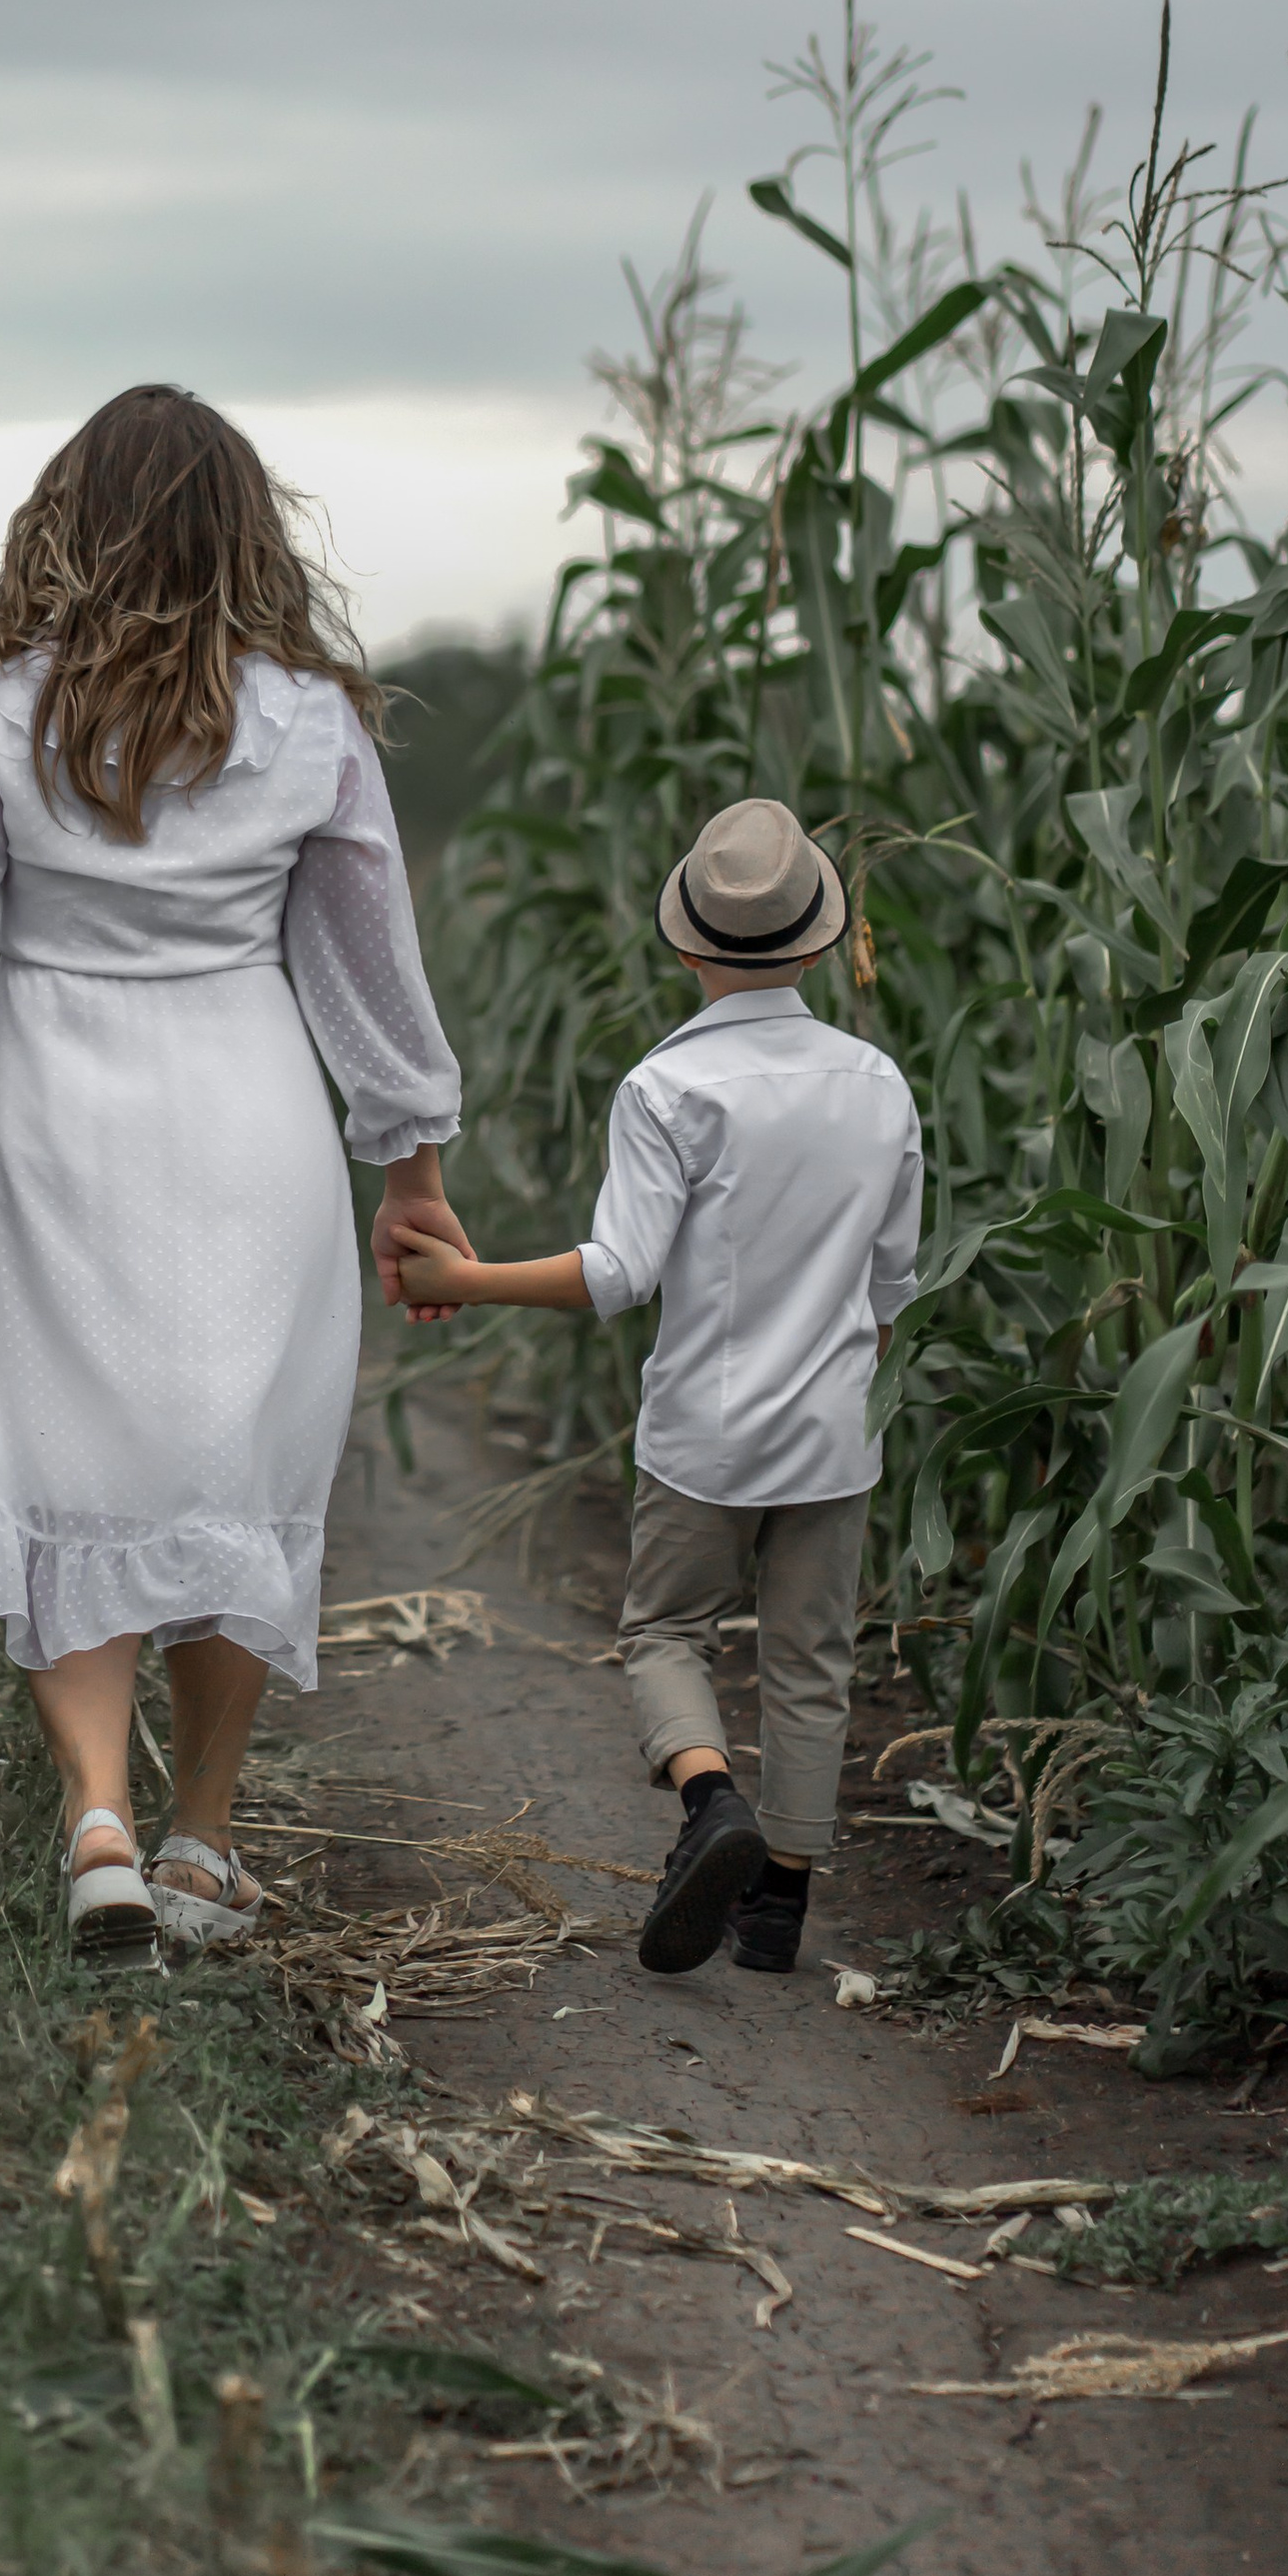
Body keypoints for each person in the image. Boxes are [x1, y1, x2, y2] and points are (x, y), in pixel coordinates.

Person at [0, 383, 470, 1957]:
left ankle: (97, 1823)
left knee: (68, 1458)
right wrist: (410, 1167)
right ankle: (201, 1836)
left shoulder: (4, 712)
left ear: (67, 523)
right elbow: (368, 965)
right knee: (228, 1468)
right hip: (245, 1094)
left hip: (54, 1098)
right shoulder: (312, 722)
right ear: (250, 535)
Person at [392, 797, 921, 1979]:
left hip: (704, 1433)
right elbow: (893, 1288)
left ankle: (707, 1799)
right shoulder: (877, 1084)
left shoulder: (667, 1089)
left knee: (666, 1631)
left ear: (686, 943)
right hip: (835, 1433)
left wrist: (464, 1278)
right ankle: (778, 1908)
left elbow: (620, 1275)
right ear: (821, 940)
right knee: (809, 1660)